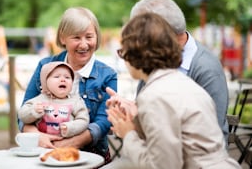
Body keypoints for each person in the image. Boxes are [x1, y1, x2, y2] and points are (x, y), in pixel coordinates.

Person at [102, 13, 240, 169]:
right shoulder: (182, 82)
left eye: (123, 51)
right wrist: (136, 119)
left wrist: (128, 135)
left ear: (135, 53)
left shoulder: (154, 95)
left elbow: (163, 165)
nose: (123, 59)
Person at [18, 7, 117, 164]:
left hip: (90, 156)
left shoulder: (108, 75)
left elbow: (104, 121)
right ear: (63, 38)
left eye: (89, 37)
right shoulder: (45, 66)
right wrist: (37, 137)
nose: (84, 44)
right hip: (45, 154)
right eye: (76, 37)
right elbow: (24, 112)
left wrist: (71, 143)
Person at [130, 0, 229, 143]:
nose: (137, 42)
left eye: (141, 34)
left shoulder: (206, 69)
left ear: (161, 34)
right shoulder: (155, 60)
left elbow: (211, 135)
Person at [17, 61, 89, 138]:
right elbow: (22, 115)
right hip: (40, 145)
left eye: (67, 77)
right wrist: (33, 111)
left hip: (66, 145)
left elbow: (83, 120)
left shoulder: (76, 101)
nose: (63, 80)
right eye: (57, 77)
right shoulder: (39, 100)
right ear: (45, 82)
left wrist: (70, 127)